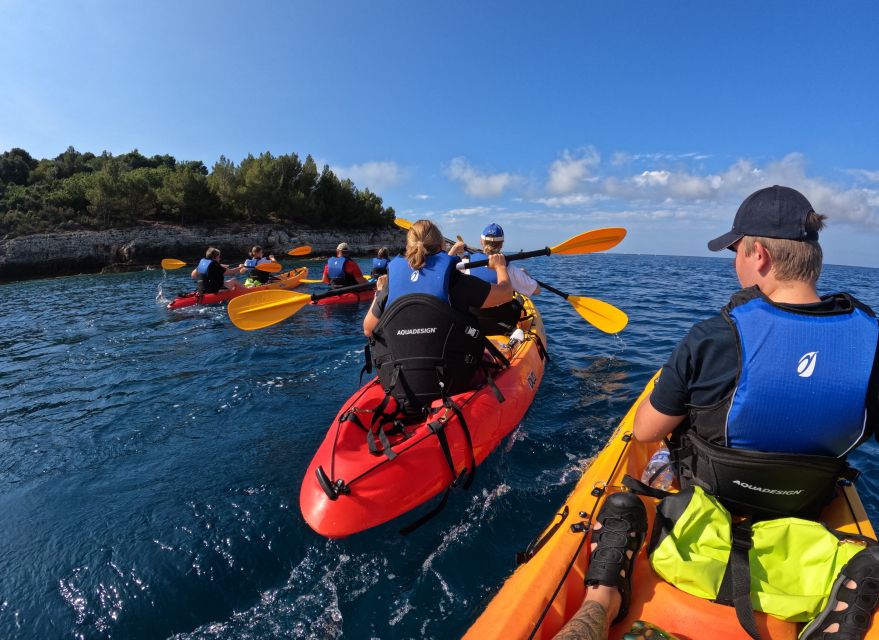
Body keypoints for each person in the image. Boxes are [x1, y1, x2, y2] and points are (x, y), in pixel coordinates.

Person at [557, 186, 879, 640]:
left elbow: (646, 428)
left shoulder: (715, 337)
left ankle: (604, 594)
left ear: (760, 255)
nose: (734, 263)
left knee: (637, 481)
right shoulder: (871, 341)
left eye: (736, 251)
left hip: (708, 498)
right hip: (802, 507)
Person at [363, 219, 512, 413]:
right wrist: (500, 266)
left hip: (399, 382)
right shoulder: (457, 281)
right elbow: (505, 294)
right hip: (451, 382)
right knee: (497, 353)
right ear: (441, 245)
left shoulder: (391, 283)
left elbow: (368, 328)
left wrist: (379, 292)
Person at [454, 223, 541, 335]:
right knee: (519, 300)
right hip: (501, 327)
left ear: (481, 241)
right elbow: (537, 290)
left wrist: (454, 250)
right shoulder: (509, 268)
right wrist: (526, 275)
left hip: (473, 325)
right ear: (501, 245)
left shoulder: (465, 263)